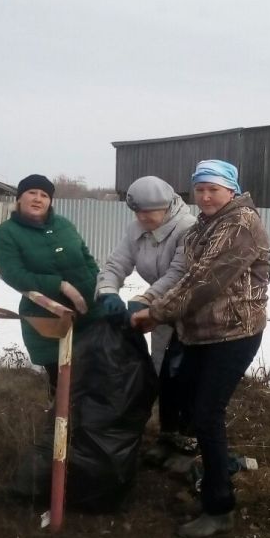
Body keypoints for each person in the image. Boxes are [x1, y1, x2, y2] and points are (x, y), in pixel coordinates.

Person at [131, 160, 270, 538]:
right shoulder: (205, 225)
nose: (206, 196)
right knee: (187, 401)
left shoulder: (240, 224)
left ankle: (219, 505)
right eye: (200, 189)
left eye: (214, 189)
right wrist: (152, 304)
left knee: (208, 413)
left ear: (231, 189)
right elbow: (187, 277)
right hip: (199, 332)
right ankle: (217, 463)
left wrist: (155, 314)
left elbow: (205, 284)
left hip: (233, 333)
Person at [95, 176, 196, 449]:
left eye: (148, 211)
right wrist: (107, 291)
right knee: (161, 367)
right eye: (137, 211)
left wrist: (145, 297)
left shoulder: (187, 228)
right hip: (160, 309)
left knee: (184, 371)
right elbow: (117, 262)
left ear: (166, 206)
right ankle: (168, 429)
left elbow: (179, 273)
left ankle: (190, 433)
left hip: (191, 310)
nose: (142, 217)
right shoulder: (136, 228)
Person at [0, 174, 100, 394]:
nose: (38, 199)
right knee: (62, 384)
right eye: (31, 192)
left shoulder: (64, 225)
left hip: (90, 311)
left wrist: (101, 289)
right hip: (48, 316)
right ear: (19, 198)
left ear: (50, 201)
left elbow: (87, 259)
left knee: (96, 375)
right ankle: (59, 426)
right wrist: (60, 285)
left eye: (44, 195)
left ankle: (93, 426)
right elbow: (14, 274)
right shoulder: (7, 233)